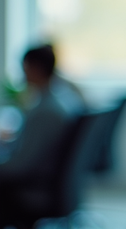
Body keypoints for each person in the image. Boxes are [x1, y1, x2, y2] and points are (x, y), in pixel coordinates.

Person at [0, 45, 85, 188]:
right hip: (49, 177)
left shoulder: (46, 111)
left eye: (25, 67)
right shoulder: (62, 99)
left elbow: (20, 165)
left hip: (33, 183)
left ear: (36, 68)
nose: (23, 74)